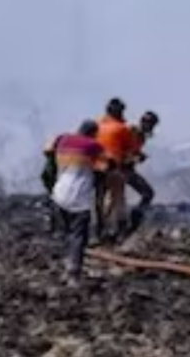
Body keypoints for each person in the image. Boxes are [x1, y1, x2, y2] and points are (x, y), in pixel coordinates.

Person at [50, 120, 104, 284]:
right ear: (93, 133)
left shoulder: (63, 139)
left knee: (67, 234)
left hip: (58, 194)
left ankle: (65, 268)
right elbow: (108, 163)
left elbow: (48, 149)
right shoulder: (92, 145)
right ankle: (73, 274)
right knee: (78, 237)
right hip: (78, 198)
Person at [94, 98, 135, 243]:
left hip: (95, 168)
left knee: (98, 200)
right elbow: (130, 152)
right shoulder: (122, 128)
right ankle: (121, 231)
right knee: (119, 199)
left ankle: (98, 231)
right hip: (112, 168)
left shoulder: (97, 125)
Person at [123, 110, 159, 232]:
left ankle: (134, 221)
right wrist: (135, 158)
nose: (151, 128)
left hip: (127, 169)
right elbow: (120, 151)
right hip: (120, 169)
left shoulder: (141, 137)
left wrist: (139, 155)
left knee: (148, 193)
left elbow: (133, 151)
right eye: (150, 124)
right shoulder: (131, 132)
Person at [40, 133, 65, 232]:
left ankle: (52, 225)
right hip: (56, 186)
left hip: (53, 186)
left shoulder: (51, 159)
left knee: (51, 205)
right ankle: (57, 226)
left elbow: (44, 176)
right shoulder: (55, 160)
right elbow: (46, 175)